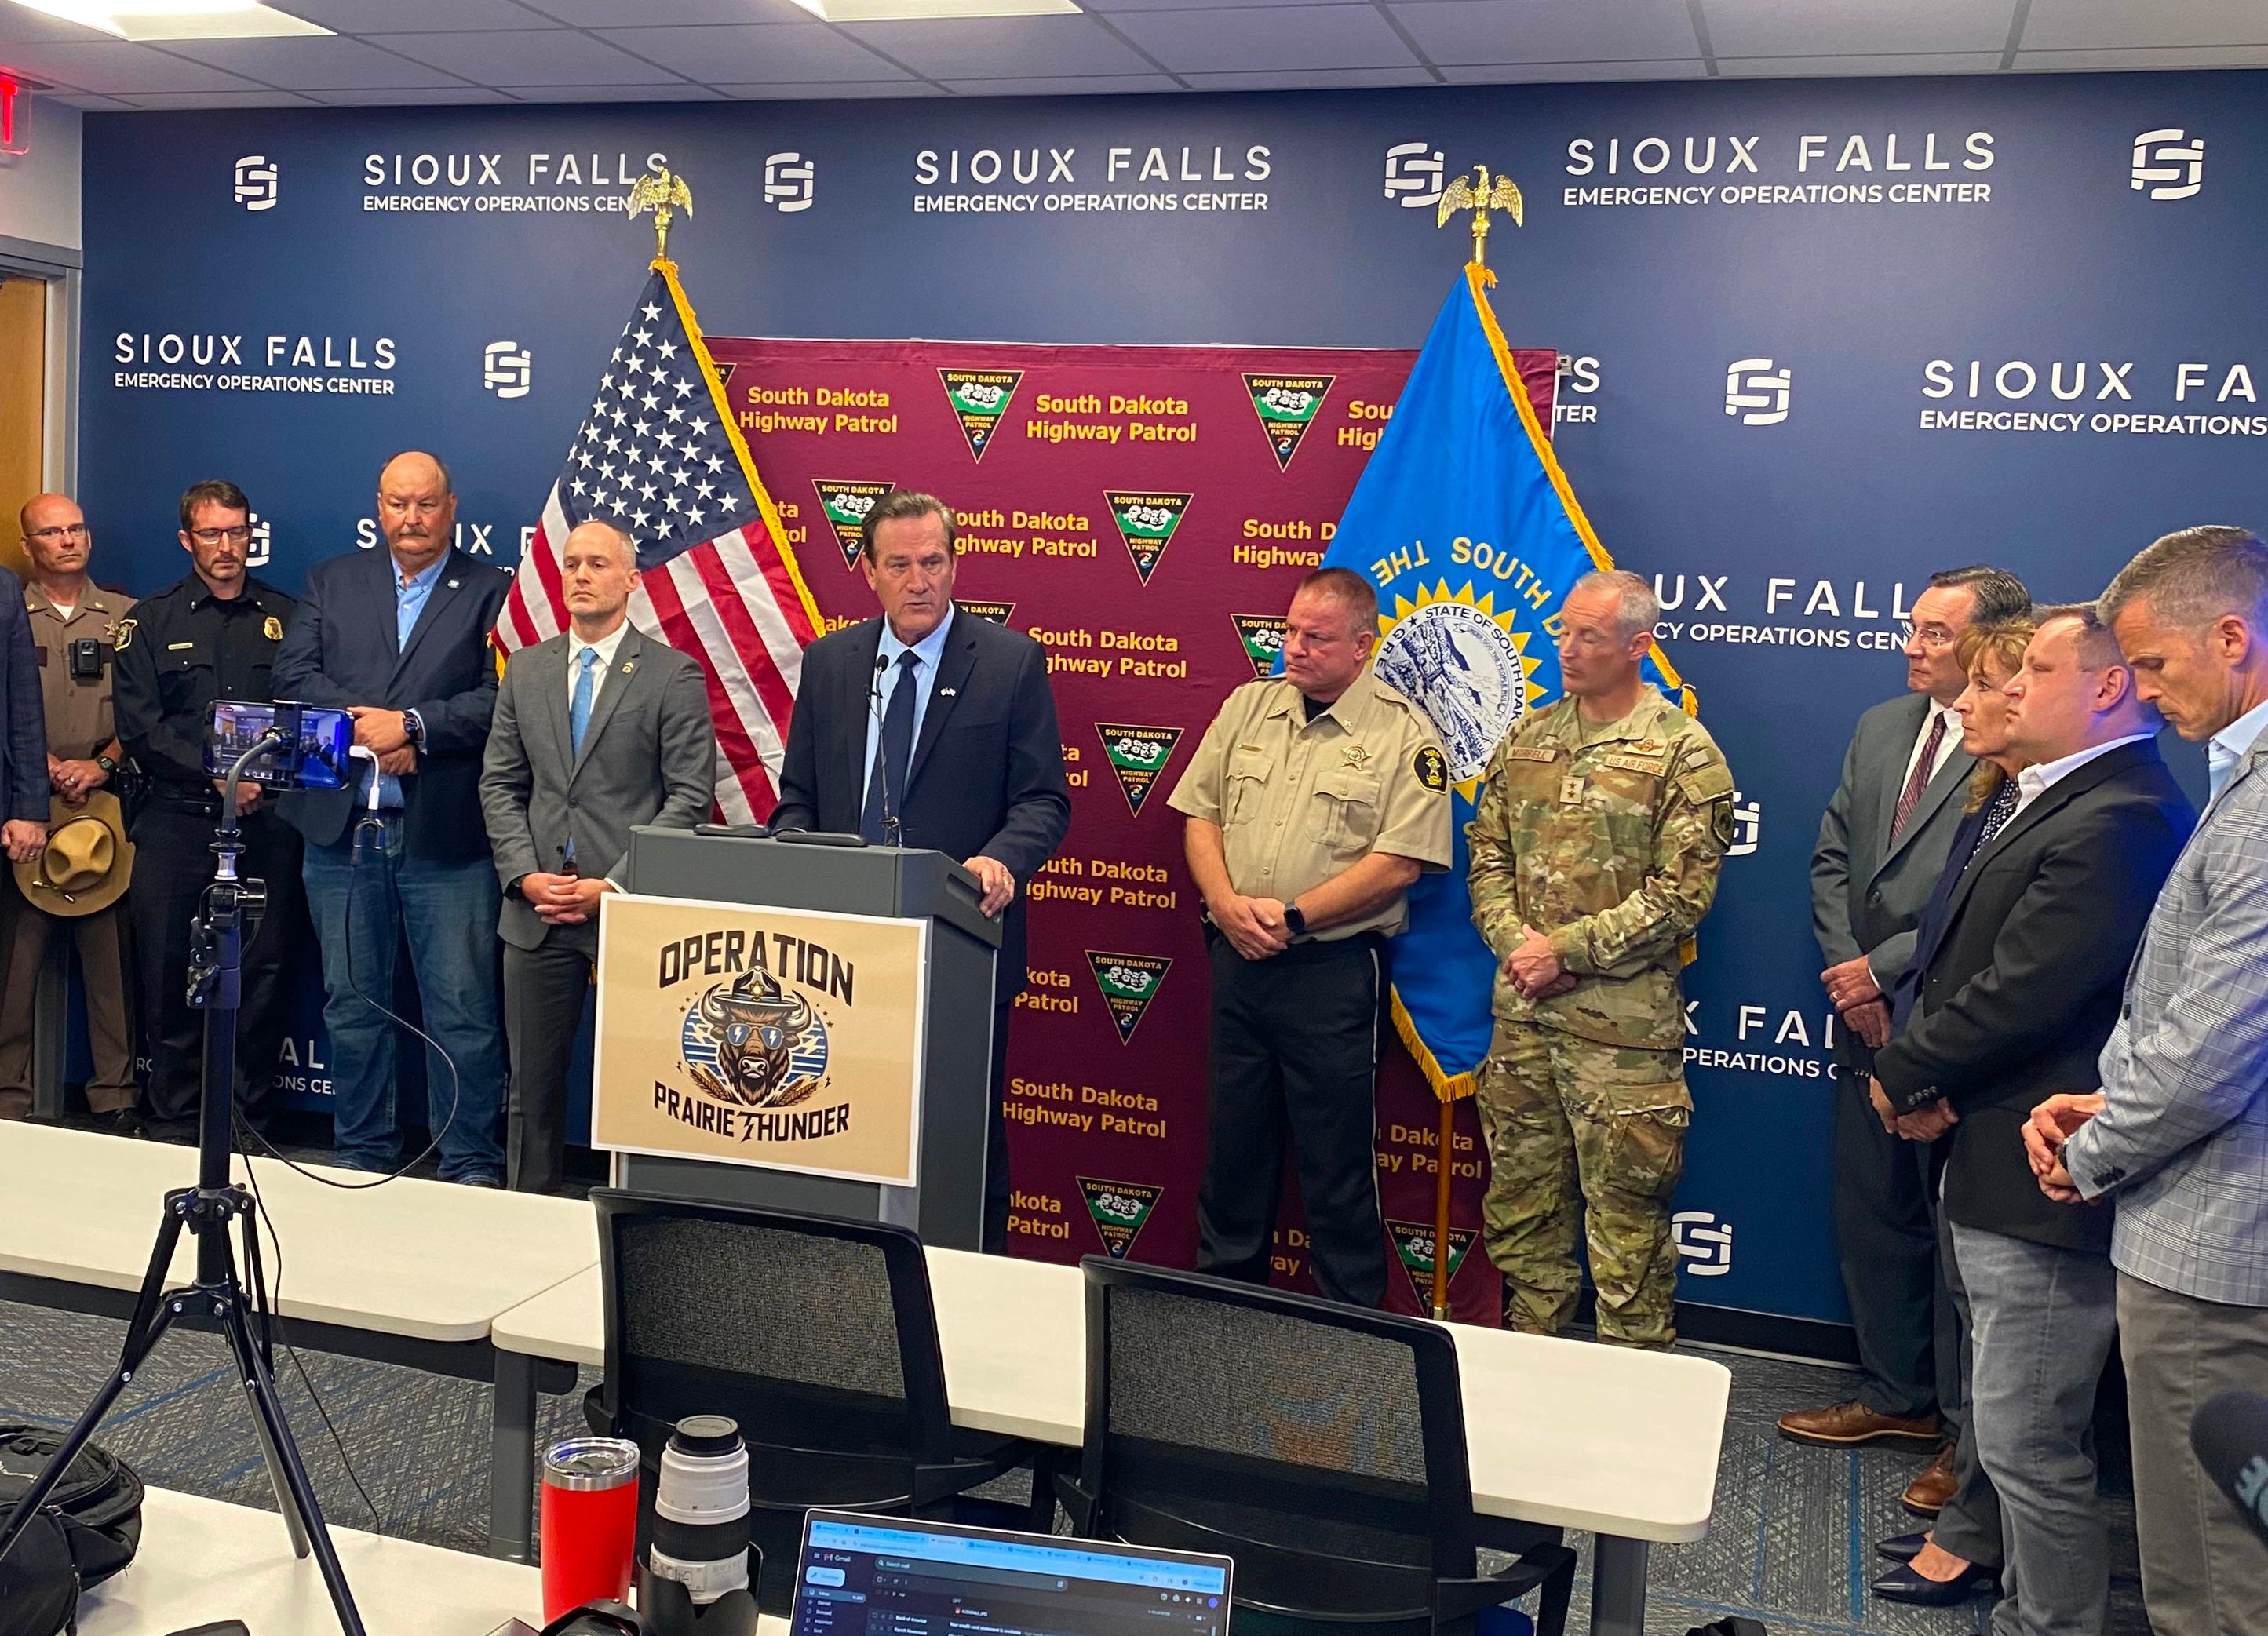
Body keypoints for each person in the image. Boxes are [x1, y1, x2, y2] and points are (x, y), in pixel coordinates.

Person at [1869, 608, 2190, 1628]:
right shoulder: (2050, 794)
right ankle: (2004, 1578)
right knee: (2002, 1417)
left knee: (2028, 1438)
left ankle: (2046, 1621)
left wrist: (1904, 1070)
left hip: (2043, 1171)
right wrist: (1929, 1080)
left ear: (2106, 687)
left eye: (2032, 671)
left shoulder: (2123, 814)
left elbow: (2029, 989)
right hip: (1989, 1141)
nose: (2005, 689)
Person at [2027, 526, 2268, 1636]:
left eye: (2156, 664)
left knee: (2208, 1579)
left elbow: (2211, 1052)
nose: (2144, 690)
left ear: (2231, 637)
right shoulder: (2238, 777)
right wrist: (2109, 1102)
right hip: (2202, 1212)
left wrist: (2092, 1147)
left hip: (2213, 1253)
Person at [1786, 567, 2032, 1507]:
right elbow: (1833, 859)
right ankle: (1897, 1397)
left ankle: (1966, 1442)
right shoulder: (1881, 726)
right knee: (1874, 1212)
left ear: (1990, 643)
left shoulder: (2014, 740)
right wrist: (1851, 976)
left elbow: (1976, 883)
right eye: (1912, 628)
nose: (1911, 646)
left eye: (1934, 633)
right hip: (1864, 1018)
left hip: (1947, 1018)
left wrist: (1884, 969)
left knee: (1958, 1242)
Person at [772, 490, 1069, 1253]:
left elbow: (1043, 800)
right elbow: (797, 798)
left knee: (962, 1150)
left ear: (954, 564)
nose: (919, 581)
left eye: (933, 562)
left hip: (959, 947)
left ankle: (977, 1286)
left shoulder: (1008, 662)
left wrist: (1001, 859)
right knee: (838, 1131)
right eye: (899, 565)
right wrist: (797, 860)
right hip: (838, 958)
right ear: (868, 570)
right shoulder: (832, 663)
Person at [1166, 567, 1453, 1307]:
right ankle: (1222, 1307)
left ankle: (1350, 1323)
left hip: (1330, 969)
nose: (1294, 647)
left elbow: (1401, 861)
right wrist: (1225, 904)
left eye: (1316, 637)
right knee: (1233, 1149)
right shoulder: (1248, 706)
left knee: (1336, 1163)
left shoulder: (1404, 735)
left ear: (1362, 646)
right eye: (1290, 631)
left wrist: (1293, 918)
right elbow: (1201, 814)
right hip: (1238, 957)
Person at [1468, 570, 1735, 1350]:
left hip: (1621, 1039)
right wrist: (1517, 946)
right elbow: (1487, 854)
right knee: (1523, 1218)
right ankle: (1525, 1378)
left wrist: (1564, 951)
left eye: (1588, 635)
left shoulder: (1682, 752)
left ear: (1637, 645)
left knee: (1627, 1237)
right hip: (1523, 1023)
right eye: (1563, 631)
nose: (1567, 648)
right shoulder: (1528, 738)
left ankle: (1633, 1394)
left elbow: (1680, 896)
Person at [272, 452, 512, 1184]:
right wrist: (369, 729)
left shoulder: (493, 591)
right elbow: (292, 676)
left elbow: (500, 697)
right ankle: (362, 1152)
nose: (412, 518)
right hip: (341, 832)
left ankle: (470, 1162)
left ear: (451, 507)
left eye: (426, 504)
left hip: (447, 837)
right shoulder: (331, 580)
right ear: (379, 507)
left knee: (462, 1008)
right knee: (352, 1003)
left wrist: (414, 726)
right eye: (399, 504)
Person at [479, 519, 714, 1193]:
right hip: (537, 913)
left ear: (632, 580)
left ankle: (638, 1225)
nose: (581, 575)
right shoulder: (526, 670)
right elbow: (500, 784)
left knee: (646, 1086)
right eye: (572, 563)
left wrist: (615, 884)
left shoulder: (671, 674)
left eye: (598, 564)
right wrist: (524, 876)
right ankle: (526, 1217)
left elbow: (690, 797)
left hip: (629, 915)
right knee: (530, 1092)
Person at [111, 479, 304, 1139]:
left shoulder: (289, 617)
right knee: (170, 974)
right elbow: (141, 728)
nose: (227, 546)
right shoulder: (150, 621)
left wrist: (252, 782)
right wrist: (222, 776)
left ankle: (247, 1125)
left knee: (262, 975)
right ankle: (175, 1122)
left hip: (266, 824)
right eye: (212, 533)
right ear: (186, 539)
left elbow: (303, 713)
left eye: (237, 532)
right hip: (177, 822)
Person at [0, 496, 134, 1123]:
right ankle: (10, 1097)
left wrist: (102, 762)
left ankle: (116, 1098)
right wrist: (41, 767)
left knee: (111, 967)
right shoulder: (12, 609)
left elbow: (147, 707)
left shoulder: (127, 616)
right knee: (16, 964)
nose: (67, 540)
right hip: (27, 802)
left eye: (76, 527)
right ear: (29, 546)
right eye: (52, 532)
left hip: (105, 807)